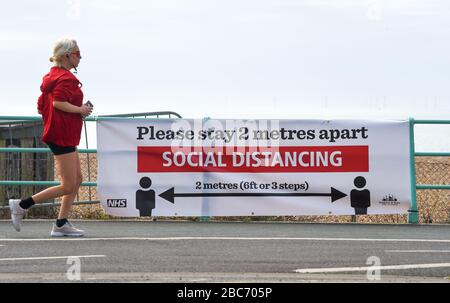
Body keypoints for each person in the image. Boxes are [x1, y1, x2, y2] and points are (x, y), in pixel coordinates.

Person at [8, 38, 93, 237]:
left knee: (77, 179)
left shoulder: (51, 77)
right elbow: (58, 103)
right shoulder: (66, 79)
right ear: (67, 56)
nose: (80, 58)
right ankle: (21, 205)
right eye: (77, 54)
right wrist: (81, 109)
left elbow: (42, 106)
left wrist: (69, 114)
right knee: (68, 184)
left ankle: (61, 223)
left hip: (60, 132)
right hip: (62, 134)